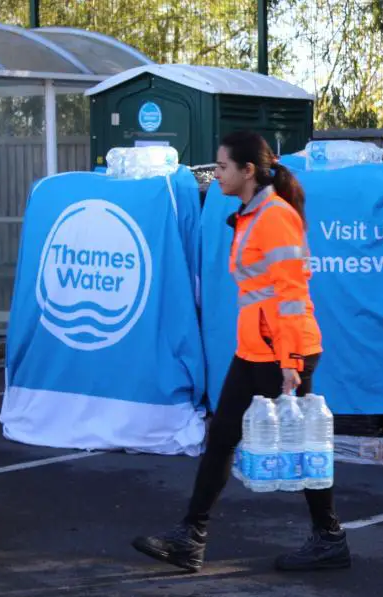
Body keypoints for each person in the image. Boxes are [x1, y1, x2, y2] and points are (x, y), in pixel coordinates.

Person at [132, 131, 351, 573]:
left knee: (301, 443)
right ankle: (190, 537)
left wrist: (290, 362)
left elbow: (290, 294)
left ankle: (328, 537)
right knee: (222, 439)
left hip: (281, 351)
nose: (216, 175)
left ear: (248, 171)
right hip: (256, 349)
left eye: (223, 167)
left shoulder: (274, 217)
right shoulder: (251, 214)